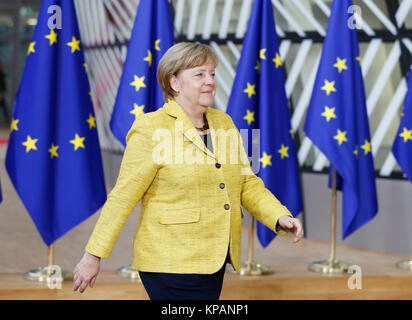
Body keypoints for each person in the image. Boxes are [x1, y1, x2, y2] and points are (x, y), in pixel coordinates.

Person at [72, 42, 304, 300]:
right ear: (174, 83)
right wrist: (93, 255)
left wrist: (279, 216)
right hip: (169, 262)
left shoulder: (224, 123)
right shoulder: (150, 128)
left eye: (212, 74)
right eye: (199, 74)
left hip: (213, 260)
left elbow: (247, 182)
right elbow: (123, 196)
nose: (210, 81)